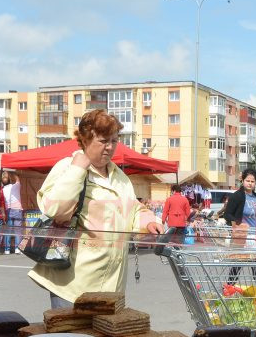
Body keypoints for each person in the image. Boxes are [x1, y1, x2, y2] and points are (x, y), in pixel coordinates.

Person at [28, 109, 163, 308]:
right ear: (85, 139)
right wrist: (77, 169)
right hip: (73, 285)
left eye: (114, 141)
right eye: (103, 141)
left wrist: (149, 222)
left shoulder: (120, 177)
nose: (109, 147)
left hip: (112, 286)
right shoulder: (67, 167)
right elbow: (54, 209)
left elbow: (133, 209)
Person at [224, 167, 256, 289]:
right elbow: (227, 214)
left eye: (252, 181)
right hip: (243, 238)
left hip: (255, 239)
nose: (250, 183)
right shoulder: (237, 196)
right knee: (237, 267)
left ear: (255, 183)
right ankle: (228, 290)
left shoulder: (255, 197)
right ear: (243, 181)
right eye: (248, 181)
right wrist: (237, 223)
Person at [1, 171, 23, 254]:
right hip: (17, 209)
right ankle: (18, 248)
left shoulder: (2, 189)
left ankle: (7, 249)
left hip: (8, 210)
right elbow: (18, 179)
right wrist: (13, 173)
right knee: (18, 230)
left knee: (8, 230)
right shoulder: (15, 186)